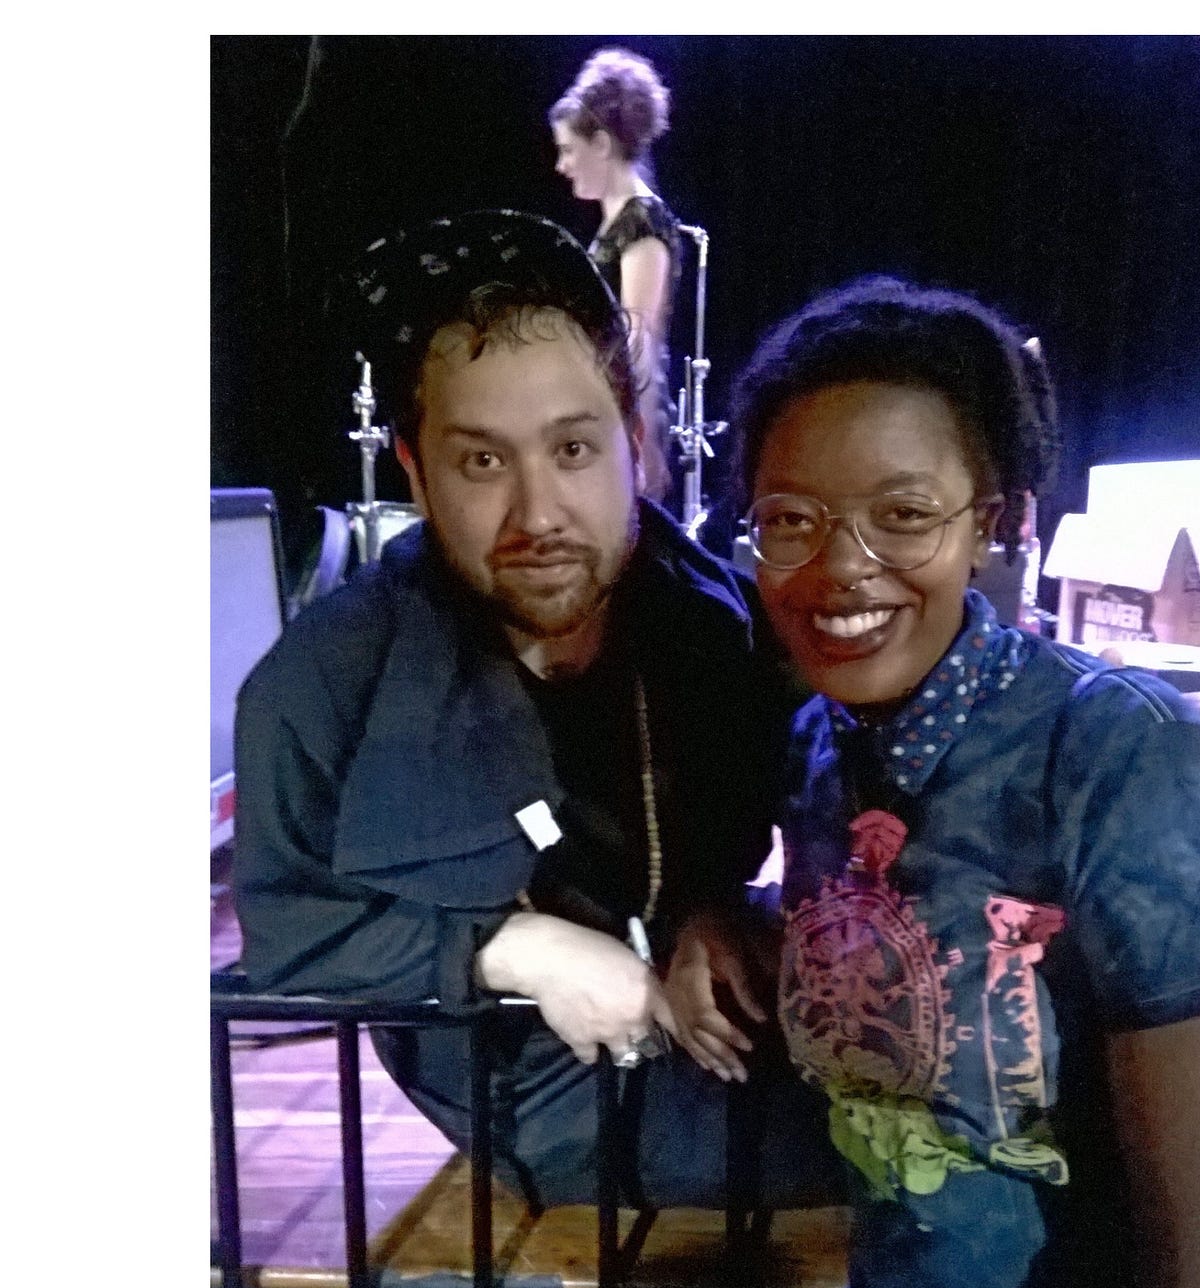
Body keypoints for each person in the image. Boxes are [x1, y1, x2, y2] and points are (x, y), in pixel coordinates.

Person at [665, 277, 1200, 1288]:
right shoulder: (817, 747)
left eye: (903, 513)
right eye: (791, 518)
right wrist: (708, 912)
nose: (841, 567)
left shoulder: (1122, 760)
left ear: (997, 518)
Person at [233, 209, 840, 1212]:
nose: (538, 514)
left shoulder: (706, 617)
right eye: (480, 462)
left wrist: (710, 915)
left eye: (571, 449)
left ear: (635, 444)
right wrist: (514, 950)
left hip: (700, 1005)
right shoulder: (323, 682)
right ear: (415, 472)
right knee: (910, 1146)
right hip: (533, 1084)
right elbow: (290, 932)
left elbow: (754, 808)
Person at [550, 48, 681, 505]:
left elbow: (640, 341)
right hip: (606, 413)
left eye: (568, 150)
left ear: (602, 144)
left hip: (627, 420)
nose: (561, 165)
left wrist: (639, 446)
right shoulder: (619, 220)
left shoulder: (643, 220)